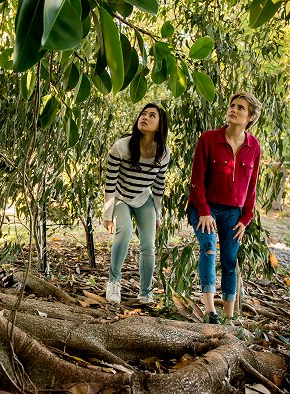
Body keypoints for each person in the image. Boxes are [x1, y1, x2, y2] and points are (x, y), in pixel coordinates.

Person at [186, 91, 262, 323]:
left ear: (250, 117)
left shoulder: (254, 146)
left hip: (234, 213)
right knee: (209, 247)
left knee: (230, 260)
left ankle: (228, 317)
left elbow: (252, 187)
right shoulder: (208, 139)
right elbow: (196, 180)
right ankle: (210, 312)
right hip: (204, 207)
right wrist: (205, 212)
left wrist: (245, 219)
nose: (234, 110)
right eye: (232, 105)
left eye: (241, 108)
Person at [103, 103, 170, 304]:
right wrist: (107, 215)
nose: (145, 117)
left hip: (143, 198)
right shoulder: (121, 146)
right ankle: (113, 283)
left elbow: (159, 187)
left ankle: (145, 292)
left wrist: (158, 215)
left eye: (152, 116)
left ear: (159, 126)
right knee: (124, 233)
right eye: (143, 114)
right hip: (122, 197)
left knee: (149, 245)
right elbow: (110, 182)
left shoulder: (163, 153)